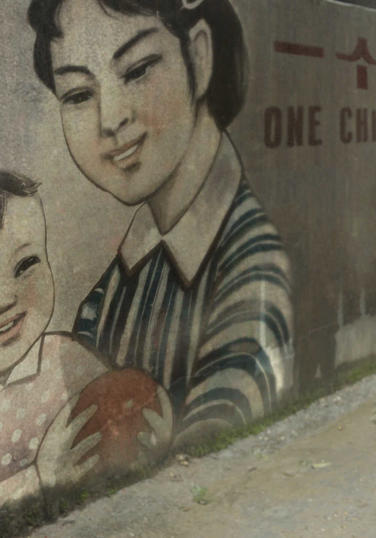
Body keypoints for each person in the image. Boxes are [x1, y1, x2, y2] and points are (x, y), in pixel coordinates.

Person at [27, 0, 293, 448]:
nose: (110, 119)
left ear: (200, 55)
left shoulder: (252, 266)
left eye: (138, 70)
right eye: (77, 94)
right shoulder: (112, 287)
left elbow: (218, 439)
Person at [0, 170, 171, 507]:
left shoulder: (73, 365)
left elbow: (119, 439)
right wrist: (39, 480)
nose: (5, 297)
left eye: (26, 265)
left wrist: (152, 440)